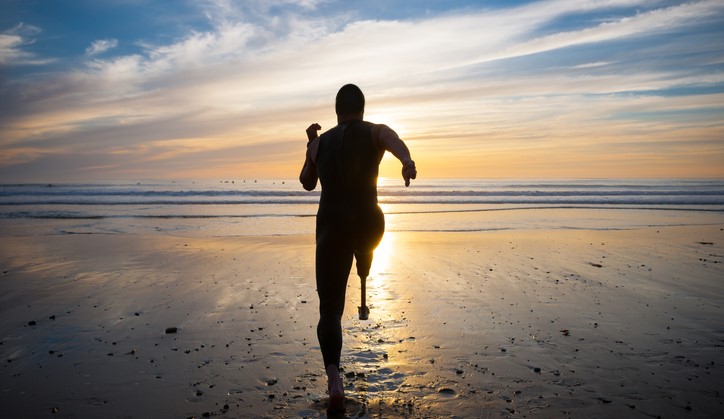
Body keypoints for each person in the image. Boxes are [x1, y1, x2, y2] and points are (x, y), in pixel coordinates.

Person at [299, 84, 417, 414]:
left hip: (331, 229)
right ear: (362, 109)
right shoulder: (374, 132)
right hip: (369, 223)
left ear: (337, 112)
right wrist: (406, 162)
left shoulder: (321, 142)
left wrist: (311, 148)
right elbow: (395, 142)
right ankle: (364, 270)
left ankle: (335, 381)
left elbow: (307, 182)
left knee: (330, 311)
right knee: (366, 237)